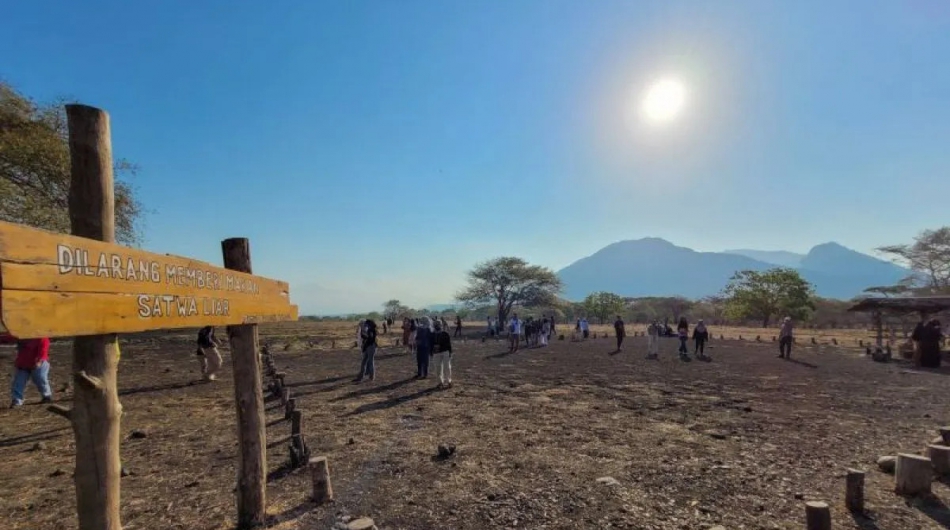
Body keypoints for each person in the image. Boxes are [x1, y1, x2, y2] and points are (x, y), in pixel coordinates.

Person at [10, 337, 53, 408]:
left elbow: (43, 351)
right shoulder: (21, 338)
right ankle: (16, 400)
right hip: (23, 364)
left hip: (38, 363)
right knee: (18, 382)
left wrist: (39, 361)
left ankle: (46, 395)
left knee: (40, 379)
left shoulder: (42, 338)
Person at [433, 320, 454, 388]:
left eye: (438, 324)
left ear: (440, 325)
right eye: (436, 325)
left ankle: (449, 381)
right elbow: (431, 344)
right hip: (436, 352)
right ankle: (440, 382)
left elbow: (449, 344)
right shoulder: (432, 334)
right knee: (437, 368)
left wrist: (450, 352)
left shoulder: (445, 333)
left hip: (445, 351)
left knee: (447, 367)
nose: (437, 326)